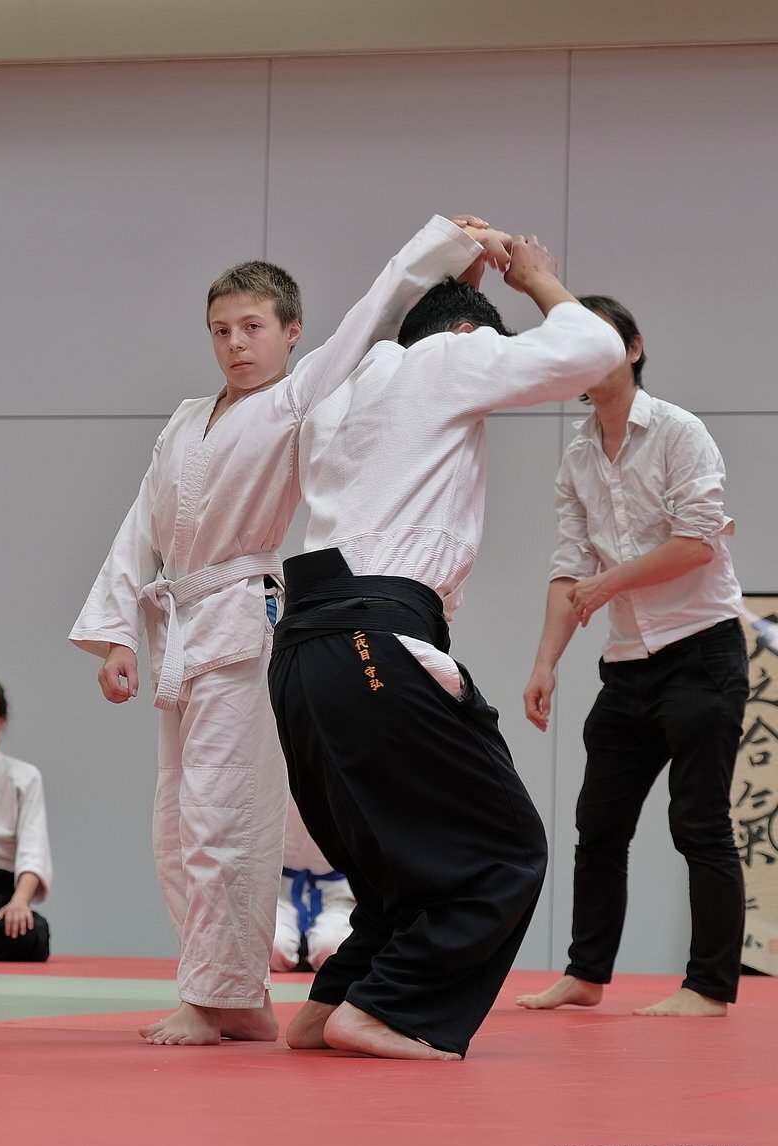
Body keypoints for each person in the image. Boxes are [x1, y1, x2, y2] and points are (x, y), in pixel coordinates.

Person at [69, 213, 510, 1046]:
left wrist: (449, 253)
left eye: (253, 327)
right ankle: (230, 994)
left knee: (225, 815)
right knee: (177, 821)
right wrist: (118, 631)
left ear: (290, 332)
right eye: (221, 330)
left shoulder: (301, 397)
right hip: (182, 626)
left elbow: (373, 318)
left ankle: (219, 994)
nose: (236, 344)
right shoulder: (185, 418)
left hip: (245, 619)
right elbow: (142, 525)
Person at [267, 240, 626, 1061]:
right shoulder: (447, 362)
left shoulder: (343, 386)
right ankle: (388, 1011)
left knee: (400, 864)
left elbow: (383, 330)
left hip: (302, 655)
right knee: (507, 849)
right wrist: (533, 277)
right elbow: (595, 349)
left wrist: (435, 282)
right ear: (469, 337)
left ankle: (331, 1007)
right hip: (376, 640)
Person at [518, 295, 747, 1018]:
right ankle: (586, 976)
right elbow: (567, 567)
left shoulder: (680, 431)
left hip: (701, 651)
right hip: (625, 664)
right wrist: (545, 662)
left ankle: (708, 987)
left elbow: (697, 541)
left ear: (635, 348)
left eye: (602, 343)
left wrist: (603, 583)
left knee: (699, 822)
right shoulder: (579, 454)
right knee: (599, 824)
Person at [0, 678, 52, 963]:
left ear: (1, 721)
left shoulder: (24, 777)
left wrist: (19, 901)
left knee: (35, 933)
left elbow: (33, 847)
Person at [271, 798, 355, 973]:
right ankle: (299, 948)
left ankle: (311, 948)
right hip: (281, 890)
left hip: (337, 892)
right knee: (272, 949)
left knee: (332, 950)